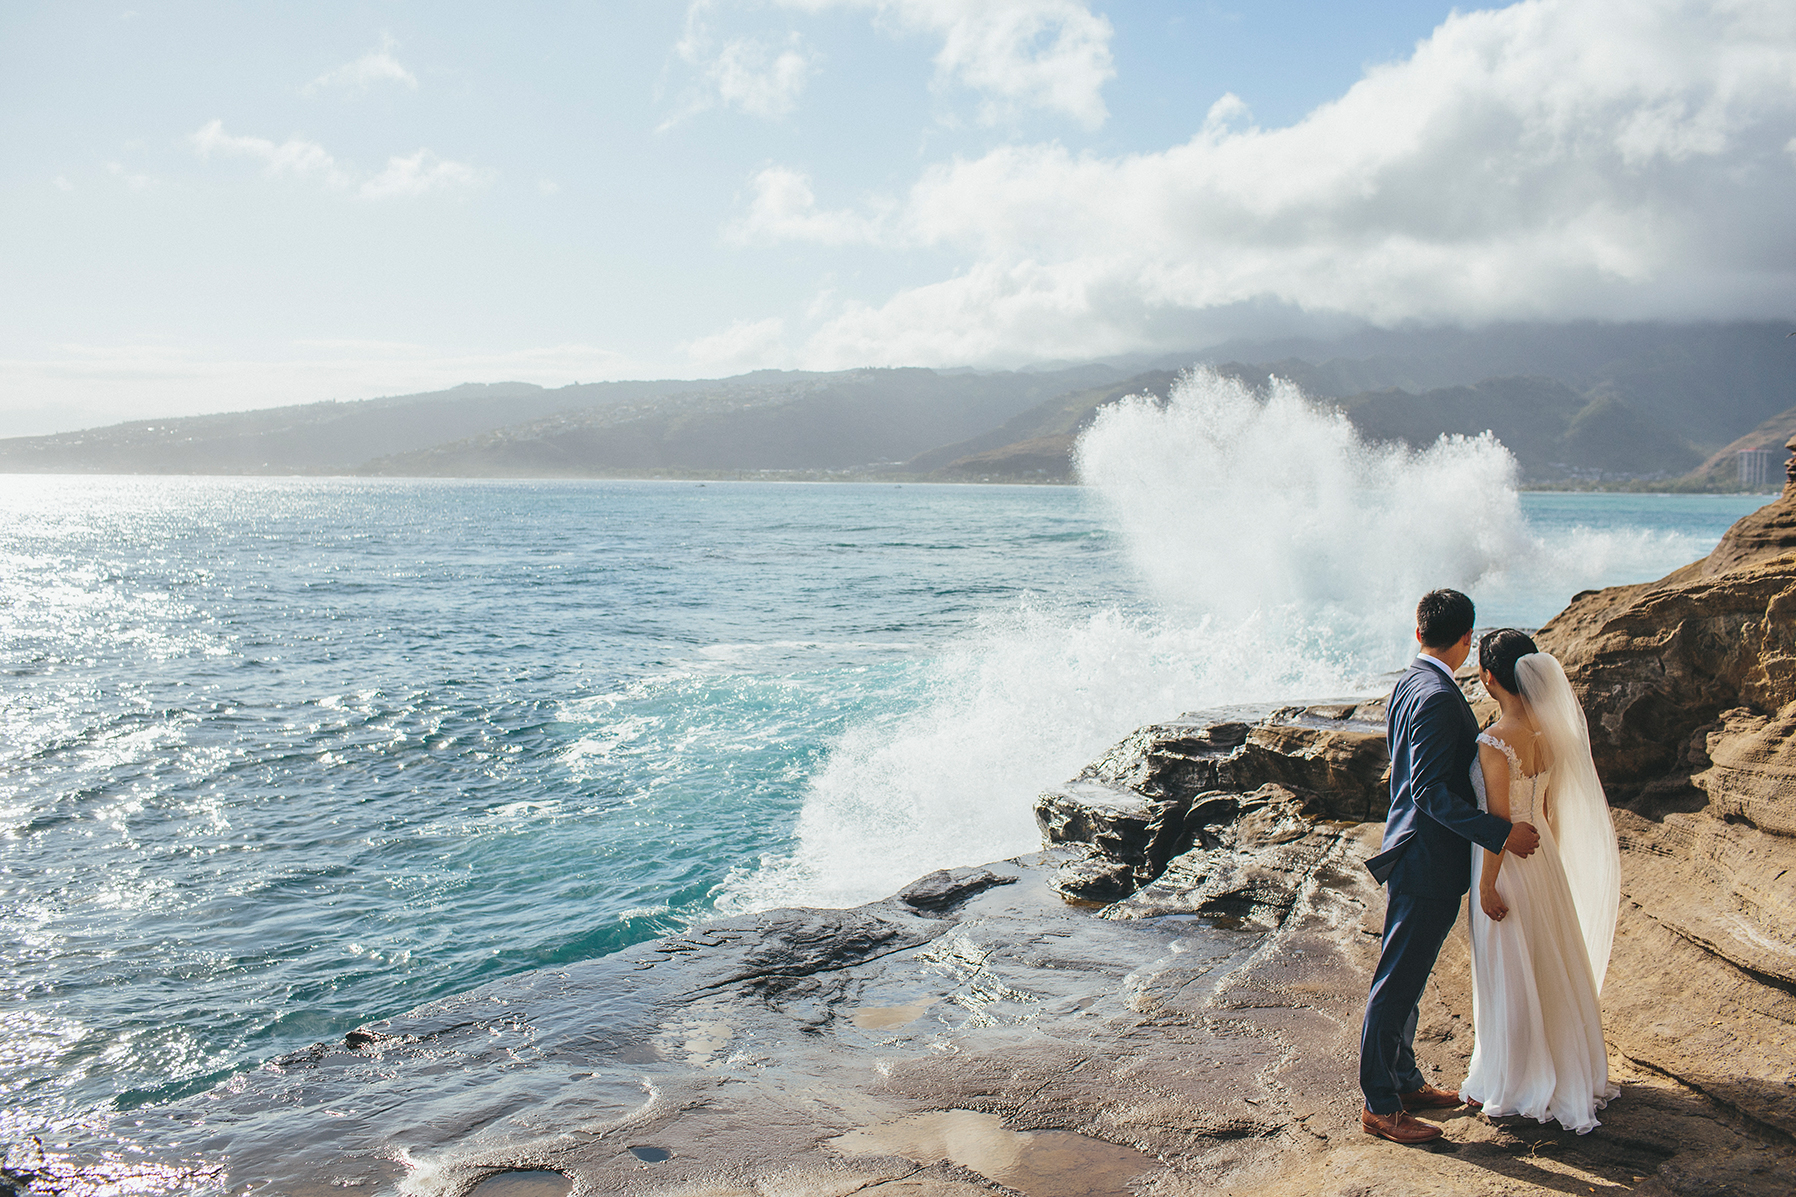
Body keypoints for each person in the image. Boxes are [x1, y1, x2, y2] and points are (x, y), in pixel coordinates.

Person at [1359, 589, 1541, 1145]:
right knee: (1396, 983)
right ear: (1466, 639)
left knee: (1409, 980)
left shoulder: (1412, 680)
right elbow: (1432, 790)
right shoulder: (1438, 695)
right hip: (1425, 858)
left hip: (1417, 850)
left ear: (1419, 633)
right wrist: (1501, 834)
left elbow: (1407, 776)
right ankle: (1381, 1105)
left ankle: (1405, 1080)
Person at [1459, 628, 1620, 1132]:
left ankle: (1517, 1076)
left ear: (1488, 676)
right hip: (1543, 855)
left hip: (1508, 863)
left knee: (1510, 967)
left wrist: (1486, 886)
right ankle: (1567, 1067)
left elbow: (1499, 824)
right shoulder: (1551, 731)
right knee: (1549, 960)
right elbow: (1546, 808)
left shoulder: (1494, 740)